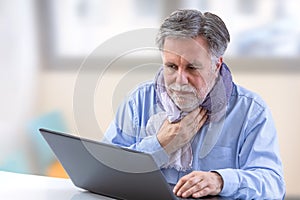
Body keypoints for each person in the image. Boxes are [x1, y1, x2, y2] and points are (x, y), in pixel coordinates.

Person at [103, 9, 285, 199]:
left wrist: (220, 181)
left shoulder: (251, 112)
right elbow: (104, 171)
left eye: (192, 67)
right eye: (171, 66)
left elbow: (273, 185)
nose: (180, 80)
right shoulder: (138, 101)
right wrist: (159, 146)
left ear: (217, 65)